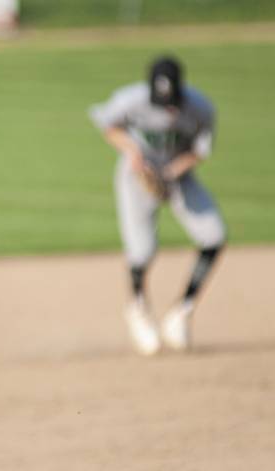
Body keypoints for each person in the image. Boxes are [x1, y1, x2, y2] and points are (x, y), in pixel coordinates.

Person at [89, 56, 226, 355]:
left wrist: (173, 172)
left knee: (214, 236)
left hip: (178, 175)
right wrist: (133, 152)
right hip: (137, 177)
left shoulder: (201, 108)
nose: (167, 108)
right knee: (142, 250)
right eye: (161, 101)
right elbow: (107, 125)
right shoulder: (130, 100)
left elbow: (200, 150)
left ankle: (182, 311)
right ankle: (137, 308)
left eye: (172, 100)